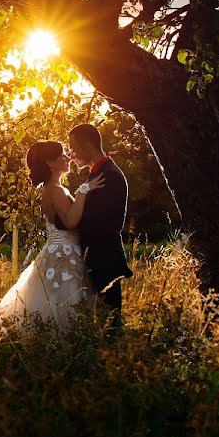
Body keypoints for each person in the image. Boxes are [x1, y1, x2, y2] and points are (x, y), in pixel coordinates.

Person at [0, 140, 104, 332]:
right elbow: (71, 222)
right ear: (49, 162)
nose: (68, 157)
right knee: (64, 302)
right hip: (64, 253)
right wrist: (83, 191)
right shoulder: (55, 190)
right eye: (62, 155)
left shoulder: (51, 189)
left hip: (59, 250)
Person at [67, 124, 133, 322]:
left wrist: (67, 223)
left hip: (104, 259)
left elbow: (103, 223)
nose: (71, 154)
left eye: (73, 146)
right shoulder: (97, 174)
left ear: (87, 146)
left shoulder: (109, 175)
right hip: (95, 259)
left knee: (110, 323)